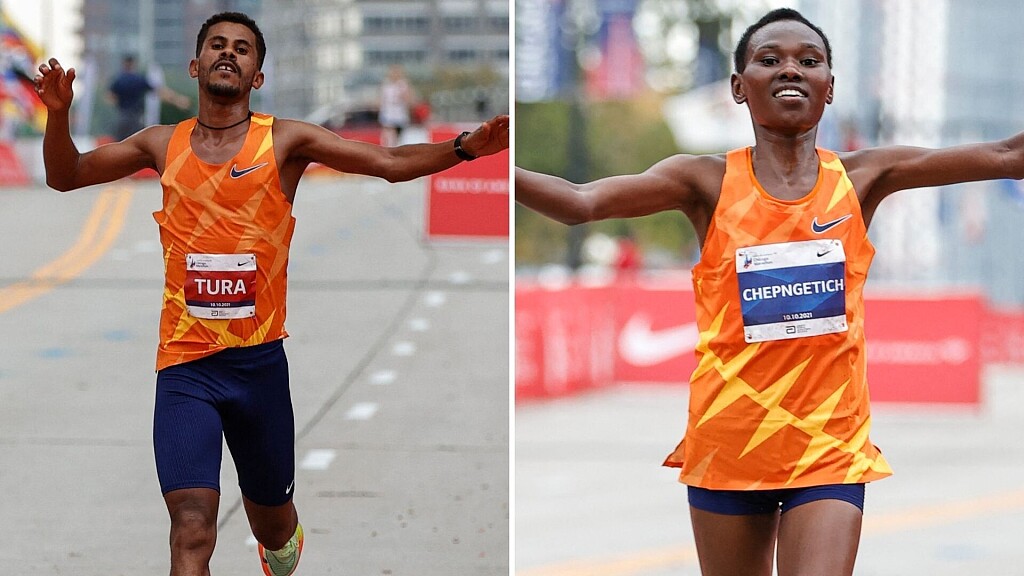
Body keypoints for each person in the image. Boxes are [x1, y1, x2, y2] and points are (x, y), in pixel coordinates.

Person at [515, 7, 1024, 576]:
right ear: (739, 87)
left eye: (809, 60)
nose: (790, 69)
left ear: (829, 87)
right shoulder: (704, 181)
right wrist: (487, 161)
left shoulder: (861, 178)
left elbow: (1009, 156)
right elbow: (580, 203)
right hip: (730, 440)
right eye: (770, 59)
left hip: (828, 444)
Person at [35, 11, 508, 576]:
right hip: (186, 367)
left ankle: (280, 541)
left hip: (258, 369)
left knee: (273, 527)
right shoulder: (161, 143)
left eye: (242, 48)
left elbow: (386, 162)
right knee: (191, 527)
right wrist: (58, 115)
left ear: (257, 76)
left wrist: (464, 147)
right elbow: (66, 174)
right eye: (216, 44)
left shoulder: (285, 141)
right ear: (195, 66)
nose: (227, 53)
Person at [107, 55, 190, 140]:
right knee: (137, 142)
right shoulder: (138, 79)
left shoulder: (118, 80)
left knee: (120, 142)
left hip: (122, 116)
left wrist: (119, 103)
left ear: (124, 64)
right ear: (133, 64)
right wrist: (177, 100)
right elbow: (158, 91)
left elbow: (110, 96)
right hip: (135, 117)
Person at [378, 64, 413, 146]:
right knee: (389, 135)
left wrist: (403, 94)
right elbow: (381, 99)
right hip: (388, 114)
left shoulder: (403, 85)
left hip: (400, 114)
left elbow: (409, 100)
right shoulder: (386, 85)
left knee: (399, 137)